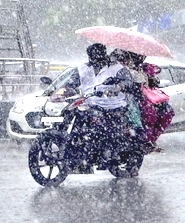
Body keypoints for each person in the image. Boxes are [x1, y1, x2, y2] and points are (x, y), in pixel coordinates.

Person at [60, 43, 141, 171]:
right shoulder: (82, 68)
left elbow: (128, 82)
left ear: (104, 55)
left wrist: (118, 87)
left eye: (98, 56)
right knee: (72, 118)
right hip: (89, 103)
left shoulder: (117, 68)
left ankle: (109, 154)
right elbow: (71, 83)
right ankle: (76, 151)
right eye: (92, 57)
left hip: (113, 105)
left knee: (109, 131)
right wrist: (65, 91)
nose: (95, 60)